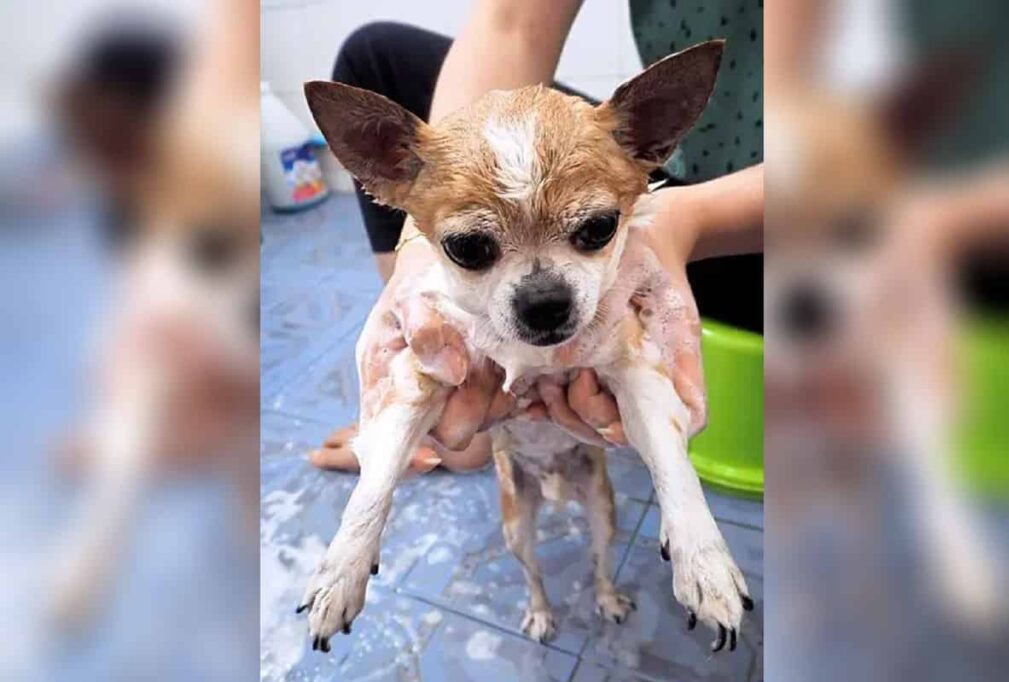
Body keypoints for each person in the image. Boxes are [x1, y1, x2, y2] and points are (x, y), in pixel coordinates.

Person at [309, 0, 764, 473]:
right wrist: (428, 222)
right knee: (375, 56)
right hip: (675, 175)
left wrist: (685, 221)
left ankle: (472, 384)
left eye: (593, 230)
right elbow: (513, 25)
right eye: (472, 248)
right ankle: (449, 369)